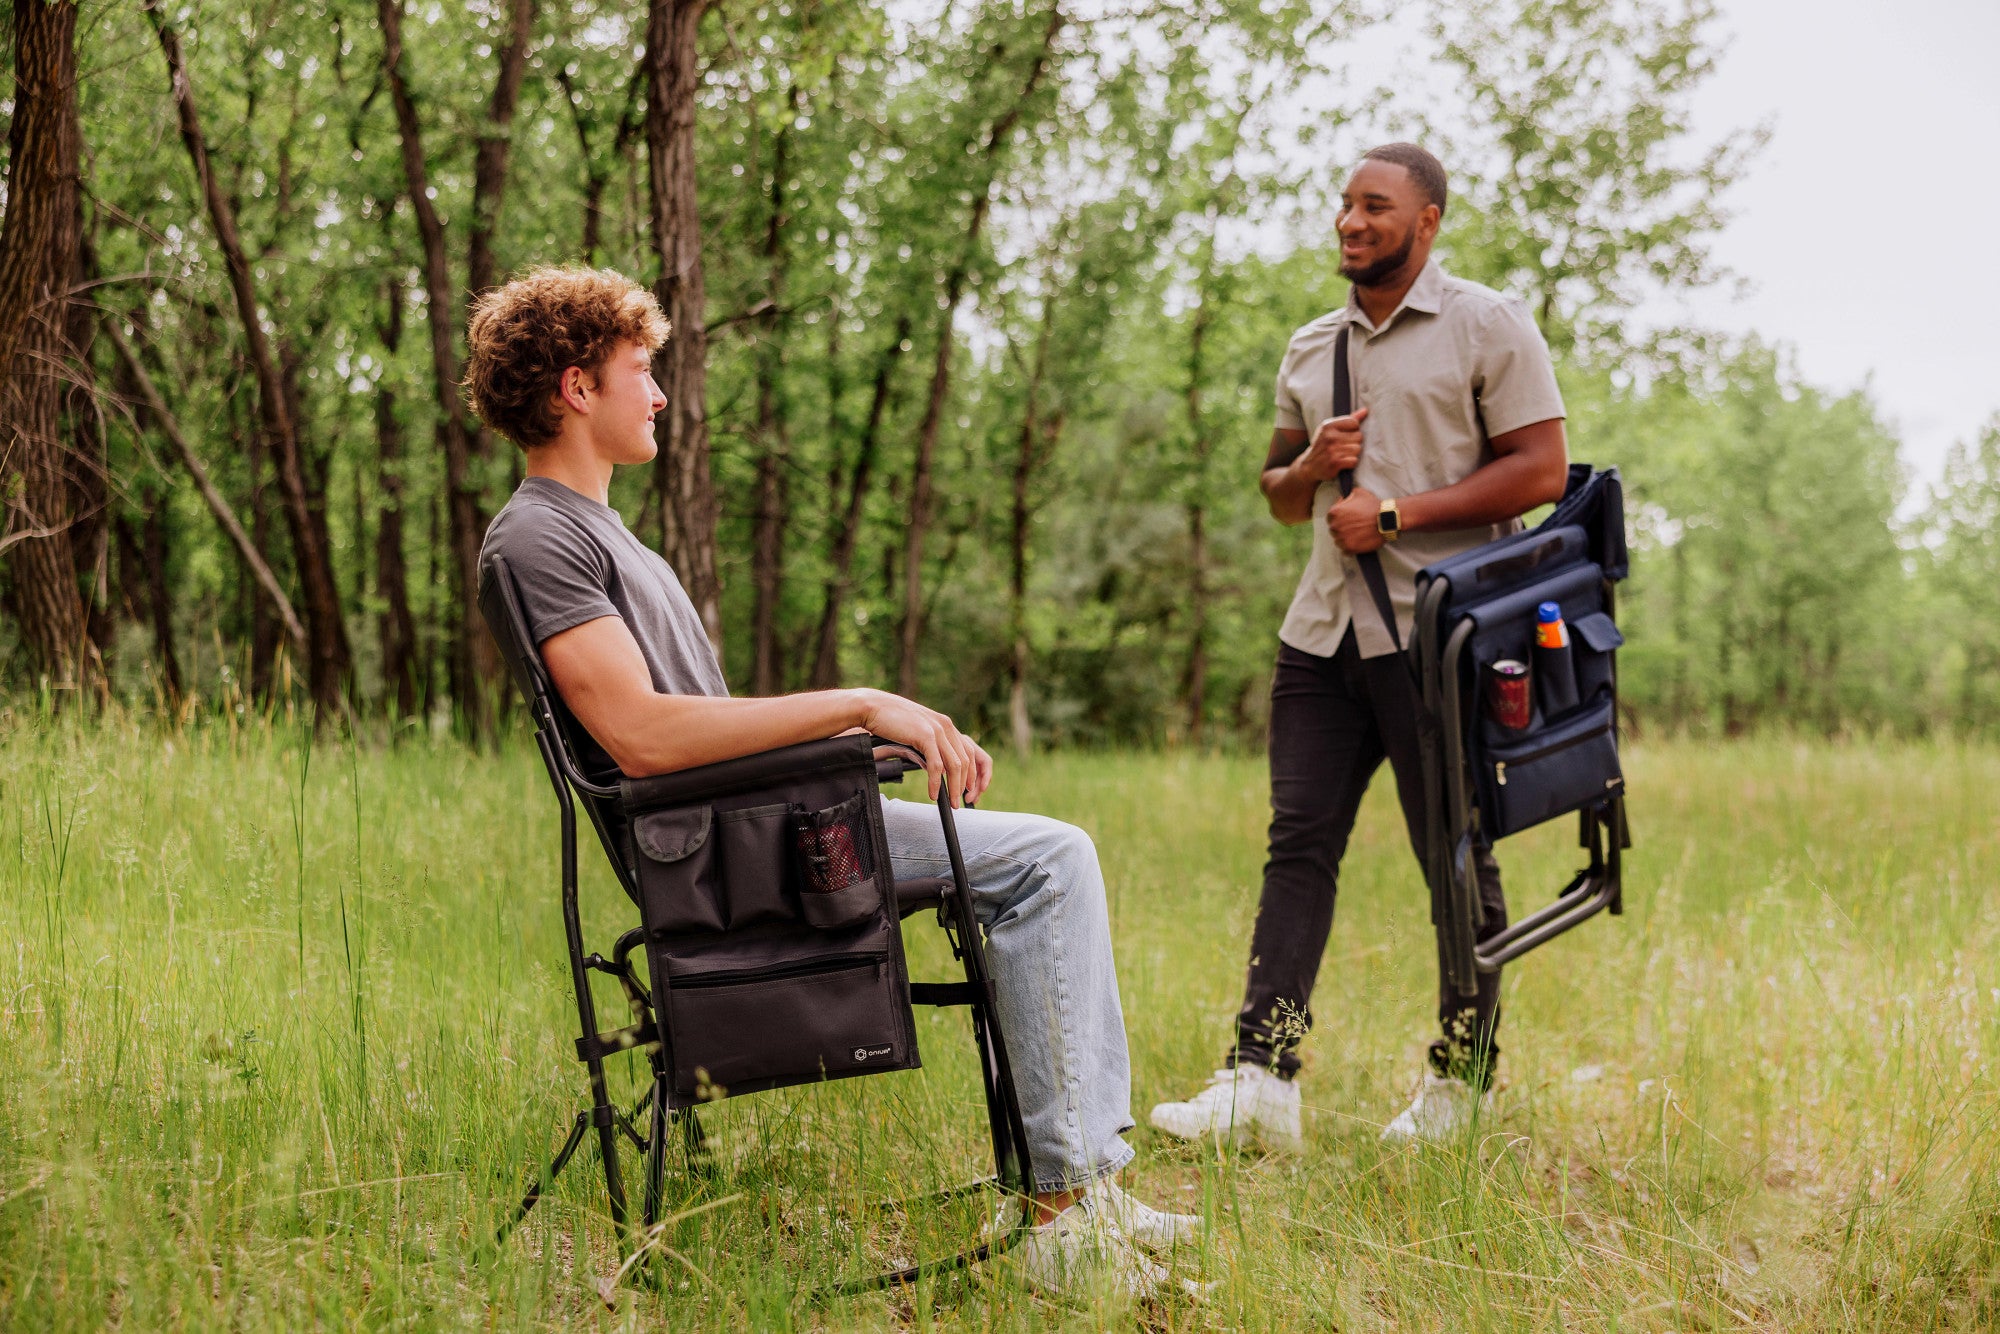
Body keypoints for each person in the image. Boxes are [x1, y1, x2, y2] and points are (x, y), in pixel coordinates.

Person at [468, 266, 1193, 1295]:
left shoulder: (604, 536)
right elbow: (638, 736)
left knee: (1037, 856)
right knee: (1047, 858)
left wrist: (854, 747)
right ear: (577, 388)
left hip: (751, 823)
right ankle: (1064, 1211)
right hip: (718, 856)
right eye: (642, 370)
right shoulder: (540, 537)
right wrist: (856, 706)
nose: (661, 394)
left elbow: (698, 730)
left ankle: (1072, 1187)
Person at [1149, 143, 1570, 1148]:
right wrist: (1308, 466)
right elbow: (1274, 489)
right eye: (1342, 205)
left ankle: (1458, 1084)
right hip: (1320, 635)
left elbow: (1540, 468)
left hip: (1437, 639)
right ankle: (1260, 1079)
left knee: (1453, 858)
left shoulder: (1486, 324)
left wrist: (1395, 514)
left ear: (1425, 220)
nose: (1349, 221)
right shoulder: (1309, 344)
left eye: (1373, 207)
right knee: (1296, 845)